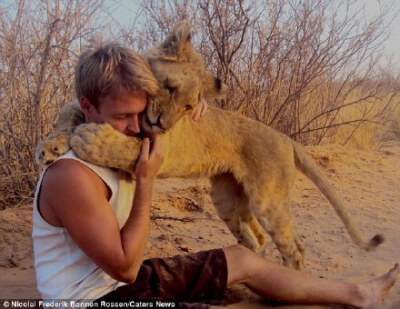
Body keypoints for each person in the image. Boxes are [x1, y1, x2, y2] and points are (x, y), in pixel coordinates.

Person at [32, 42, 399, 309]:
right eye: (122, 118)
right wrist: (145, 182)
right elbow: (126, 268)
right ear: (86, 106)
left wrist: (190, 99)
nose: (137, 127)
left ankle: (356, 294)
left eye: (140, 114)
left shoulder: (122, 127)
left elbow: (157, 93)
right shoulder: (71, 176)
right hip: (93, 299)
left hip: (115, 281)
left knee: (244, 258)